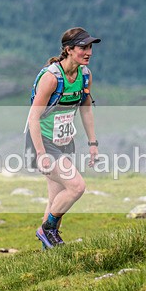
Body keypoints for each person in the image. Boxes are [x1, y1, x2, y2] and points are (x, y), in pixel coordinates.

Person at [25, 27, 100, 249]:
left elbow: (86, 109)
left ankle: (49, 250)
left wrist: (93, 143)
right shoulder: (51, 78)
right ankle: (46, 230)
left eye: (90, 47)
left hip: (65, 141)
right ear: (68, 50)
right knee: (76, 186)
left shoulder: (85, 75)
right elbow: (33, 118)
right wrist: (40, 154)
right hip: (42, 142)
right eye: (83, 47)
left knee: (55, 200)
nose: (88, 52)